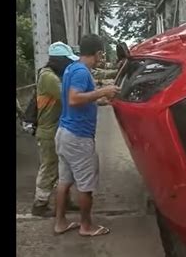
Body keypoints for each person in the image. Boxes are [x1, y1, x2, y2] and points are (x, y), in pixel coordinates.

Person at [54, 34, 120, 236]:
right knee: (85, 186)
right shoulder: (82, 72)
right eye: (101, 54)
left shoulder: (71, 69)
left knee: (64, 181)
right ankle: (86, 226)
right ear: (98, 53)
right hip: (78, 137)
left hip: (64, 133)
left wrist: (99, 101)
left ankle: (60, 223)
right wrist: (104, 91)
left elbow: (78, 99)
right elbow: (74, 99)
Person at [31, 42, 80, 217]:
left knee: (63, 167)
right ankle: (40, 204)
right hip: (48, 130)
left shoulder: (53, 75)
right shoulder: (48, 77)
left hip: (57, 128)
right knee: (49, 167)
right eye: (68, 61)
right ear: (59, 61)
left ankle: (64, 201)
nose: (70, 65)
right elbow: (67, 97)